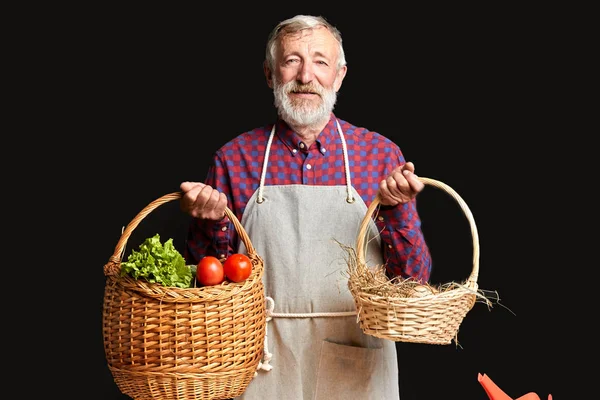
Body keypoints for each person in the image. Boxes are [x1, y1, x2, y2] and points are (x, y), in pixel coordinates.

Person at [179, 14, 432, 399]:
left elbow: (413, 283)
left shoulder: (380, 155)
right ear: (269, 73)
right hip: (260, 361)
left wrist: (397, 210)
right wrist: (209, 223)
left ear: (340, 75)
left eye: (320, 61)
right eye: (292, 60)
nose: (305, 76)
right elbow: (206, 291)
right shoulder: (233, 159)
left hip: (357, 359)